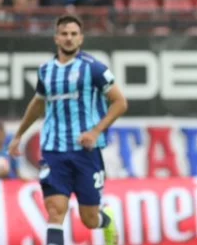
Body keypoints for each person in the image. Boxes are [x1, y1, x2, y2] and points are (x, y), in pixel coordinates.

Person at [8, 15, 127, 245]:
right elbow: (38, 102)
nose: (69, 38)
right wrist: (19, 135)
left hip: (86, 153)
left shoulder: (94, 69)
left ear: (81, 39)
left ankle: (107, 219)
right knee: (55, 211)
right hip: (54, 150)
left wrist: (95, 132)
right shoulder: (45, 71)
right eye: (64, 34)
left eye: (73, 34)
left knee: (89, 219)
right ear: (56, 38)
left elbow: (120, 102)